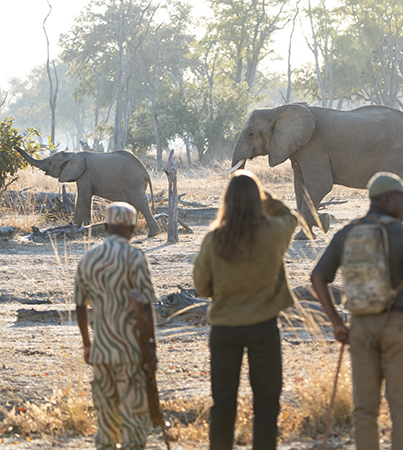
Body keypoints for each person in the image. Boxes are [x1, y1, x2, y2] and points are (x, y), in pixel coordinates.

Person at [193, 170, 298, 450]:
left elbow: (202, 287)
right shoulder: (273, 233)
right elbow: (291, 217)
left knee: (223, 403)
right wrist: (265, 197)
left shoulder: (214, 239)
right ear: (257, 200)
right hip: (263, 328)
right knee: (266, 403)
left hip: (224, 329)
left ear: (227, 201)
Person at [311, 172, 403, 450]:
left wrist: (337, 324)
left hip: (360, 328)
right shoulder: (399, 232)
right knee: (400, 407)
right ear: (388, 198)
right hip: (397, 328)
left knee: (364, 408)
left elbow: (317, 278)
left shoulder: (347, 232)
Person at [74, 202, 157, 450]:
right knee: (133, 415)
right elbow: (145, 307)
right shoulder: (135, 258)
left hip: (101, 350)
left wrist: (87, 345)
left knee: (106, 415)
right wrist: (151, 349)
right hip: (131, 350)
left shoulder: (89, 257)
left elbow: (80, 306)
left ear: (106, 226)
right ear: (132, 229)